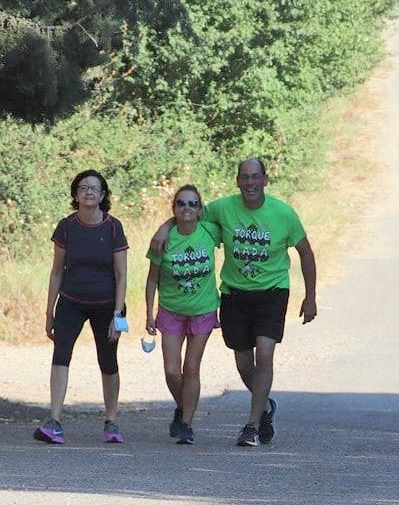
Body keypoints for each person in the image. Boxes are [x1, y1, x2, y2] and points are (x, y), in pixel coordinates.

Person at [151, 157, 317, 447]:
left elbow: (305, 252)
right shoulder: (223, 209)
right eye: (245, 177)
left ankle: (252, 425)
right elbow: (189, 215)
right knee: (243, 363)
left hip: (271, 292)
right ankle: (265, 407)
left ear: (265, 180)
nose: (250, 183)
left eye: (255, 177)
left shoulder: (283, 213)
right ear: (238, 181)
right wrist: (164, 227)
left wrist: (311, 296)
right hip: (234, 294)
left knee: (264, 354)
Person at [35, 170, 128, 444]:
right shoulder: (66, 226)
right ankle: (55, 420)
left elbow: (122, 275)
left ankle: (112, 421)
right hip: (71, 303)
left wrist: (118, 316)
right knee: (60, 354)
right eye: (83, 187)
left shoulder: (113, 227)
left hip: (107, 305)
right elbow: (56, 272)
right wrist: (49, 311)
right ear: (75, 195)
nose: (89, 192)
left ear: (102, 195)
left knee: (108, 360)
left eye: (94, 188)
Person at [145, 185, 221, 444]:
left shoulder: (210, 230)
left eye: (192, 204)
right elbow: (152, 279)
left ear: (200, 209)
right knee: (171, 370)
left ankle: (186, 424)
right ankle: (184, 406)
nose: (186, 208)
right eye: (180, 203)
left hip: (203, 309)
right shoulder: (162, 240)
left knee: (191, 367)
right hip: (171, 310)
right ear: (173, 209)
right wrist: (147, 313)